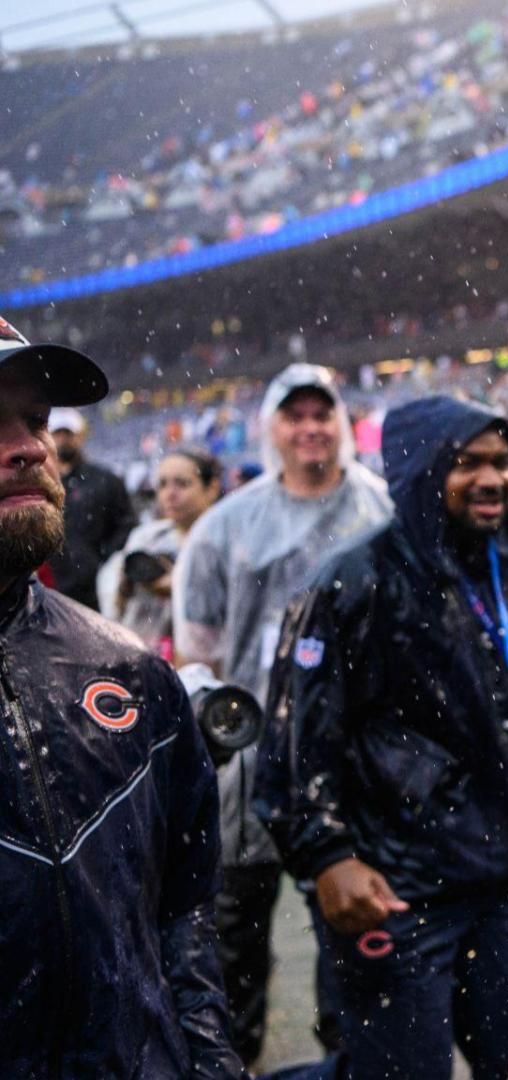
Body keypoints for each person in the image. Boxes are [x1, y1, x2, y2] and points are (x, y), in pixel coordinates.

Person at [259, 397, 508, 1080]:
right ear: (421, 470)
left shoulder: (505, 551)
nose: (493, 479)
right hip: (401, 890)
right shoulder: (354, 581)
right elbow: (294, 739)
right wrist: (328, 857)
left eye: (501, 463)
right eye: (468, 463)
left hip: (501, 884)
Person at [0, 316, 244, 1078]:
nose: (32, 448)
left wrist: (208, 1063)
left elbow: (185, 910)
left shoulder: (131, 671)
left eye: (36, 421)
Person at [174, 362, 393, 1064]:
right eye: (294, 416)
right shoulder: (224, 529)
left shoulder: (383, 515)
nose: (309, 429)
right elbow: (197, 654)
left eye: (321, 414)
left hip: (355, 770)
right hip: (248, 768)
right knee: (231, 957)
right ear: (271, 427)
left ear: (341, 423)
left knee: (357, 964)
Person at [99, 447, 222, 656]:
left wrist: (179, 586)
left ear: (211, 488)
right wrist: (124, 587)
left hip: (207, 656)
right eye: (162, 484)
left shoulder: (224, 542)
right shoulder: (145, 538)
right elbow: (114, 610)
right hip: (148, 653)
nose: (170, 494)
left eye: (182, 484)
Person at [45, 406, 136, 611]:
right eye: (57, 433)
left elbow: (126, 524)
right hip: (49, 586)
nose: (62, 439)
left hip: (94, 587)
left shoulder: (104, 480)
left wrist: (103, 558)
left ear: (80, 436)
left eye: (67, 433)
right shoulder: (40, 481)